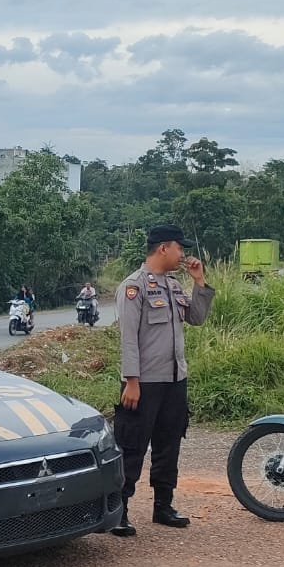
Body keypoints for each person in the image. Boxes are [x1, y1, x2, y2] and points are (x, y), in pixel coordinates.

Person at [109, 225, 215, 535]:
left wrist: (199, 282)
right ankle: (119, 511)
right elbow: (128, 338)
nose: (183, 254)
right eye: (179, 248)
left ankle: (163, 506)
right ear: (163, 249)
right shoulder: (134, 287)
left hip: (174, 380)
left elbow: (196, 318)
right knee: (132, 447)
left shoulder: (172, 285)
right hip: (143, 383)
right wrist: (131, 380)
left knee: (169, 445)